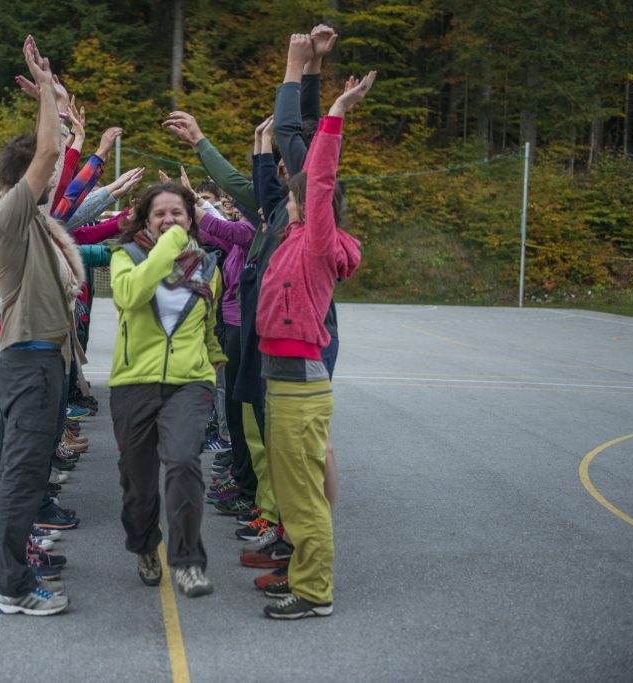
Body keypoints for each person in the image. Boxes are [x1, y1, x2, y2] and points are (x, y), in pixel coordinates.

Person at [257, 34, 375, 619]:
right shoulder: (291, 239)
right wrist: (310, 71)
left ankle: (314, 591)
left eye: (294, 191)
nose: (287, 189)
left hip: (301, 388)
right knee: (290, 492)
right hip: (282, 384)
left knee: (303, 498)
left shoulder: (316, 244)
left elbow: (319, 175)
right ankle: (301, 574)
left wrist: (332, 115)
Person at [0, 35, 79, 617]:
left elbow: (54, 161)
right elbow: (45, 158)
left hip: (43, 360)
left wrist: (58, 103)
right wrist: (43, 92)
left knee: (27, 471)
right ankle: (11, 586)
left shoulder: (30, 217)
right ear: (24, 178)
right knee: (20, 476)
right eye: (45, 165)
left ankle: (13, 571)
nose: (55, 166)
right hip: (29, 360)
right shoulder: (6, 218)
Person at [108, 183, 228, 598]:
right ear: (146, 220)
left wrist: (213, 360)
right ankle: (143, 546)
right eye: (159, 213)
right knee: (137, 487)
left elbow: (208, 322)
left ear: (192, 217)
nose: (169, 220)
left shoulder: (209, 267)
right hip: (133, 383)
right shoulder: (127, 257)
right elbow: (128, 295)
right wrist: (170, 244)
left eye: (177, 213)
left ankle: (189, 562)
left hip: (189, 383)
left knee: (182, 463)